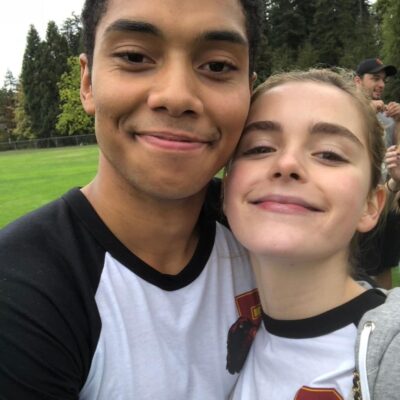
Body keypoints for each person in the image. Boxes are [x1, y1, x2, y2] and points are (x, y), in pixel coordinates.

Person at [0, 0, 264, 398]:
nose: (176, 96)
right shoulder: (19, 289)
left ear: (249, 91)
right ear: (88, 84)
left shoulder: (272, 233)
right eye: (135, 57)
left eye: (217, 65)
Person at [224, 69, 400, 399]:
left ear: (370, 206)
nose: (287, 163)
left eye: (329, 154)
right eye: (260, 148)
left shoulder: (392, 349)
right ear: (226, 186)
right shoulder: (224, 339)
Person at [354, 58, 400, 289]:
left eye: (383, 80)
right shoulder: (346, 111)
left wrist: (399, 121)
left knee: (384, 265)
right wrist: (363, 113)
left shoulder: (386, 117)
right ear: (357, 81)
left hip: (386, 199)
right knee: (357, 270)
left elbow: (397, 153)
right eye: (375, 78)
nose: (381, 84)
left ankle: (387, 309)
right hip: (358, 204)